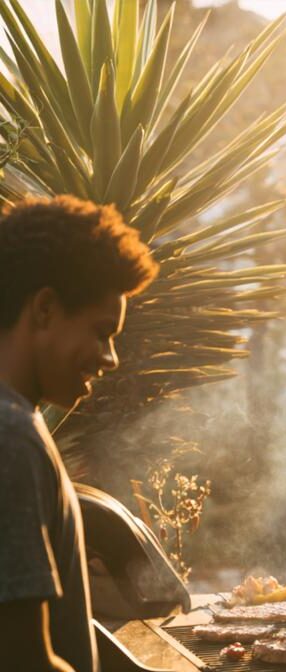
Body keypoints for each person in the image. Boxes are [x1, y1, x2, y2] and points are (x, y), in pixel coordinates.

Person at [0, 196, 158, 672]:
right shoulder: (12, 437)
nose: (110, 358)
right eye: (101, 332)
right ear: (45, 308)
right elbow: (26, 659)